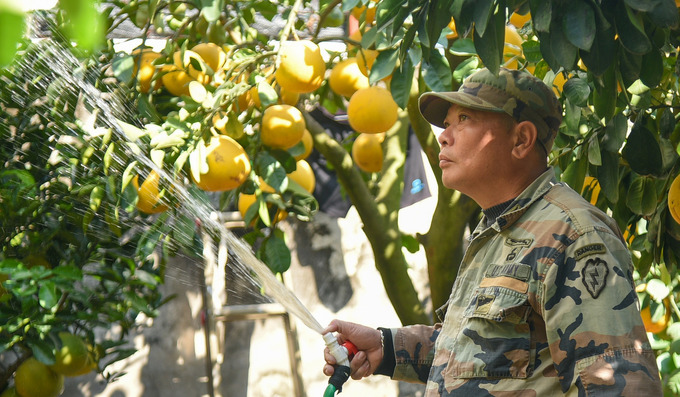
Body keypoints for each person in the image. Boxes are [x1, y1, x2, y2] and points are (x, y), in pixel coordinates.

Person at [322, 67, 662, 395]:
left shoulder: (573, 235)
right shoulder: (497, 232)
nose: (443, 135)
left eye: (464, 120)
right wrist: (386, 348)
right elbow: (479, 355)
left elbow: (620, 385)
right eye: (447, 123)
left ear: (521, 139)